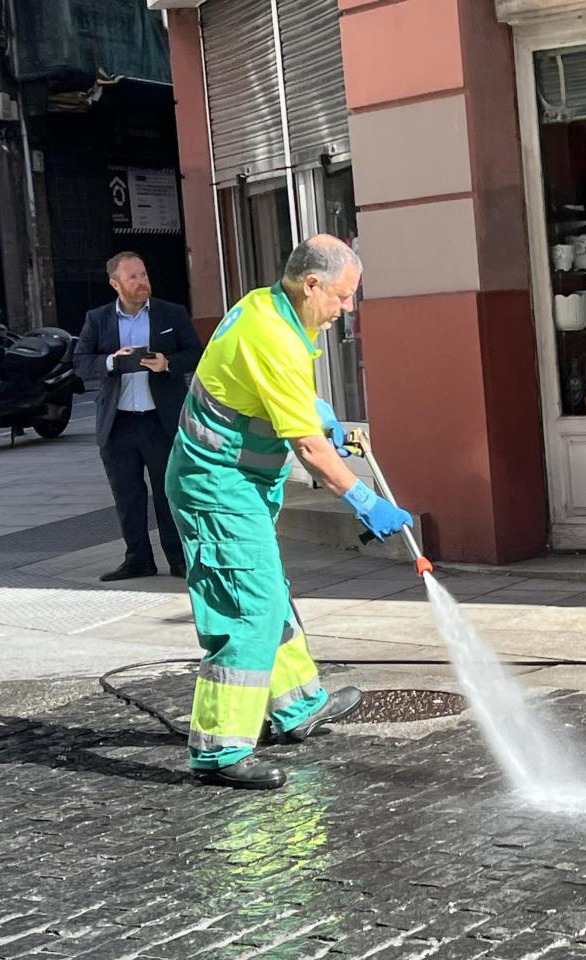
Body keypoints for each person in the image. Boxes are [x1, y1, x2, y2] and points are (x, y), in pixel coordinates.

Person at [166, 234, 414, 790]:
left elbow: (275, 405)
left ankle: (299, 706)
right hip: (216, 489)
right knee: (248, 608)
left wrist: (315, 412)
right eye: (344, 297)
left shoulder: (266, 308)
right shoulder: (273, 335)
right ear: (312, 285)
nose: (347, 309)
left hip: (236, 486)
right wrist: (363, 498)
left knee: (268, 594)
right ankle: (220, 748)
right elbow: (308, 450)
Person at [74, 253, 202, 582]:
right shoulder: (98, 318)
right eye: (132, 277)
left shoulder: (171, 313)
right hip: (119, 424)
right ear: (115, 284)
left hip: (160, 421)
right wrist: (110, 363)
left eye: (143, 274)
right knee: (128, 496)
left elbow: (195, 353)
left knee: (168, 492)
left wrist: (167, 362)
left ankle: (178, 559)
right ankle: (138, 560)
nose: (142, 281)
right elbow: (81, 362)